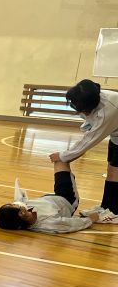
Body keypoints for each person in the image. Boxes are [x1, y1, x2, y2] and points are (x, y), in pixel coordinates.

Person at [48, 79, 118, 216]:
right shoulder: (91, 97)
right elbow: (91, 126)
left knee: (115, 172)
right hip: (116, 135)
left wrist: (63, 156)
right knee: (112, 169)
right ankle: (106, 207)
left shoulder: (108, 111)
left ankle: (113, 212)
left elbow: (90, 140)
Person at [0, 160, 116, 233]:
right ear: (22, 215)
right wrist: (92, 219)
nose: (15, 204)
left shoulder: (23, 209)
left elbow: (19, 200)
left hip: (52, 198)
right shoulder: (49, 223)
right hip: (67, 199)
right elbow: (71, 224)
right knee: (61, 161)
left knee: (60, 160)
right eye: (15, 207)